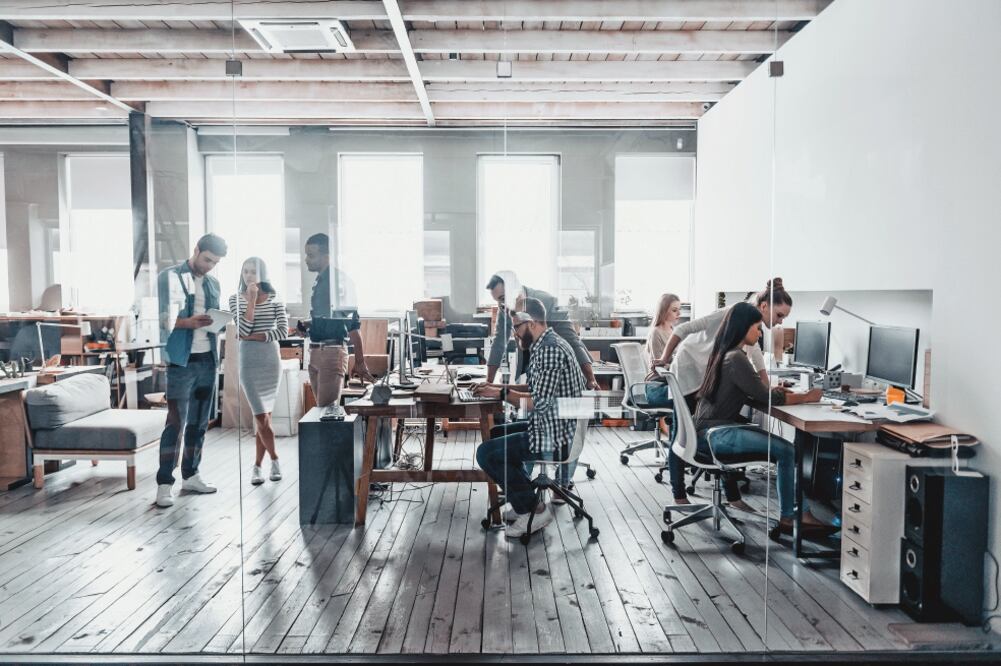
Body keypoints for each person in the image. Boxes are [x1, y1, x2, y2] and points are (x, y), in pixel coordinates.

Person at [653, 278, 794, 507]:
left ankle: (733, 497)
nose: (779, 322)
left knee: (725, 422)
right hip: (689, 371)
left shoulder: (750, 328)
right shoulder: (732, 314)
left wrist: (766, 390)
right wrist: (665, 358)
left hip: (707, 374)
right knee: (682, 434)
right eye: (779, 315)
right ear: (765, 307)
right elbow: (683, 329)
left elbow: (757, 359)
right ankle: (679, 495)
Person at [694, 302, 830, 534]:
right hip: (717, 435)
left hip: (707, 433)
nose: (760, 333)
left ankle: (796, 512)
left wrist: (779, 393)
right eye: (757, 327)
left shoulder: (725, 353)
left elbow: (760, 392)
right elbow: (769, 399)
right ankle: (793, 516)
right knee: (787, 451)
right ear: (743, 327)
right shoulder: (735, 358)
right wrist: (808, 397)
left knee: (785, 450)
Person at [474, 298, 586, 539]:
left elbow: (539, 403)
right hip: (557, 426)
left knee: (486, 453)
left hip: (557, 437)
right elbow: (537, 389)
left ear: (532, 323)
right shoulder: (547, 343)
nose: (514, 334)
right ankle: (525, 498)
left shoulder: (549, 350)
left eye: (516, 327)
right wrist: (495, 388)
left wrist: (503, 394)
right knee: (496, 434)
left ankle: (534, 510)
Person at [155, 233, 227, 508]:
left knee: (199, 423)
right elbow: (161, 319)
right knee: (175, 424)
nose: (209, 266)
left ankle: (191, 474)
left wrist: (216, 323)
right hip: (180, 362)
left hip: (207, 359)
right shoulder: (169, 277)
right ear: (196, 250)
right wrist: (189, 323)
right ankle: (164, 484)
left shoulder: (213, 284)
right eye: (207, 259)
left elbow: (213, 320)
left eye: (215, 262)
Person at [297, 233, 374, 413]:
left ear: (327, 257)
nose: (306, 260)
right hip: (316, 351)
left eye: (311, 255)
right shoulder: (320, 281)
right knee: (322, 411)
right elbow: (328, 319)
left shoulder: (339, 282)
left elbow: (352, 324)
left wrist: (360, 361)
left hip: (331, 353)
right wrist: (308, 325)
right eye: (306, 254)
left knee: (327, 411)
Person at [229, 257, 289, 486]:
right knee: (261, 417)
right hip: (249, 364)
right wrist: (252, 300)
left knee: (263, 419)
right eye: (245, 271)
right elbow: (242, 328)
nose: (249, 276)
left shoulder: (275, 299)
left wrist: (254, 337)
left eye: (253, 271)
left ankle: (256, 466)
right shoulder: (235, 299)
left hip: (270, 362)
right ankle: (275, 459)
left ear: (263, 273)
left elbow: (283, 331)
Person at [485, 271, 599, 390]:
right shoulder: (504, 308)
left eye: (503, 298)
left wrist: (591, 379)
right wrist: (489, 382)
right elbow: (498, 343)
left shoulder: (549, 302)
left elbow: (572, 340)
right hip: (529, 366)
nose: (501, 305)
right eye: (498, 301)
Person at [646, 293, 682, 364]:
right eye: (674, 310)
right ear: (664, 311)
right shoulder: (656, 332)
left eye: (679, 309)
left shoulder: (673, 330)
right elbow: (658, 366)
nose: (679, 313)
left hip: (672, 372)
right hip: (661, 374)